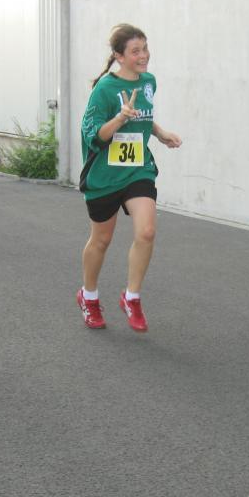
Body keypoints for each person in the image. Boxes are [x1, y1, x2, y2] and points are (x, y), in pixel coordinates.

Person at [77, 24, 182, 331]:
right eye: (135, 51)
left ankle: (131, 297)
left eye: (145, 48)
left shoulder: (149, 82)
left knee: (146, 231)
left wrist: (160, 133)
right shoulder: (104, 90)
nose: (143, 55)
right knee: (101, 239)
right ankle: (89, 296)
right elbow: (94, 134)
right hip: (104, 174)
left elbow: (144, 118)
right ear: (119, 56)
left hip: (138, 169)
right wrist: (119, 118)